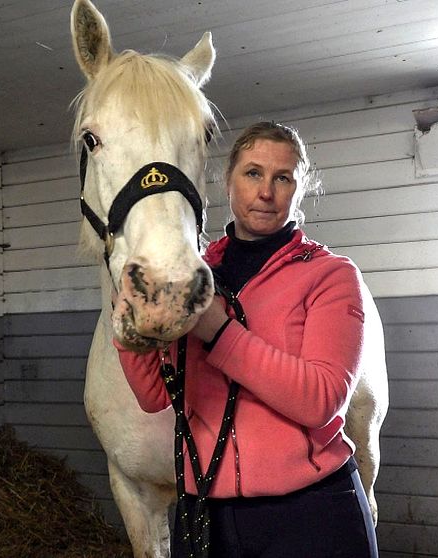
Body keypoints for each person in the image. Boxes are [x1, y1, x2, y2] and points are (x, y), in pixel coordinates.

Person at [114, 121, 378, 558]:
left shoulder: (331, 276)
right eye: (253, 173)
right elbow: (155, 395)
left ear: (300, 187)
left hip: (310, 512)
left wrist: (218, 332)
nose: (266, 192)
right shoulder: (196, 275)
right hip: (206, 515)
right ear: (228, 179)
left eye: (283, 178)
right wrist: (124, 317)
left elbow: (321, 400)